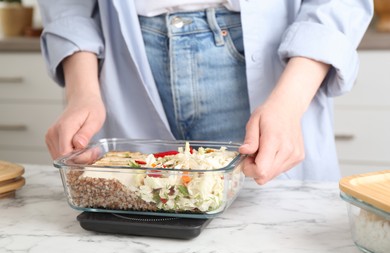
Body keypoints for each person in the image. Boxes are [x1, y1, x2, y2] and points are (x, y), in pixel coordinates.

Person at [37, 0, 373, 184]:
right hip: (129, 61)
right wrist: (83, 91)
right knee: (142, 222)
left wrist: (287, 104)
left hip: (269, 66)